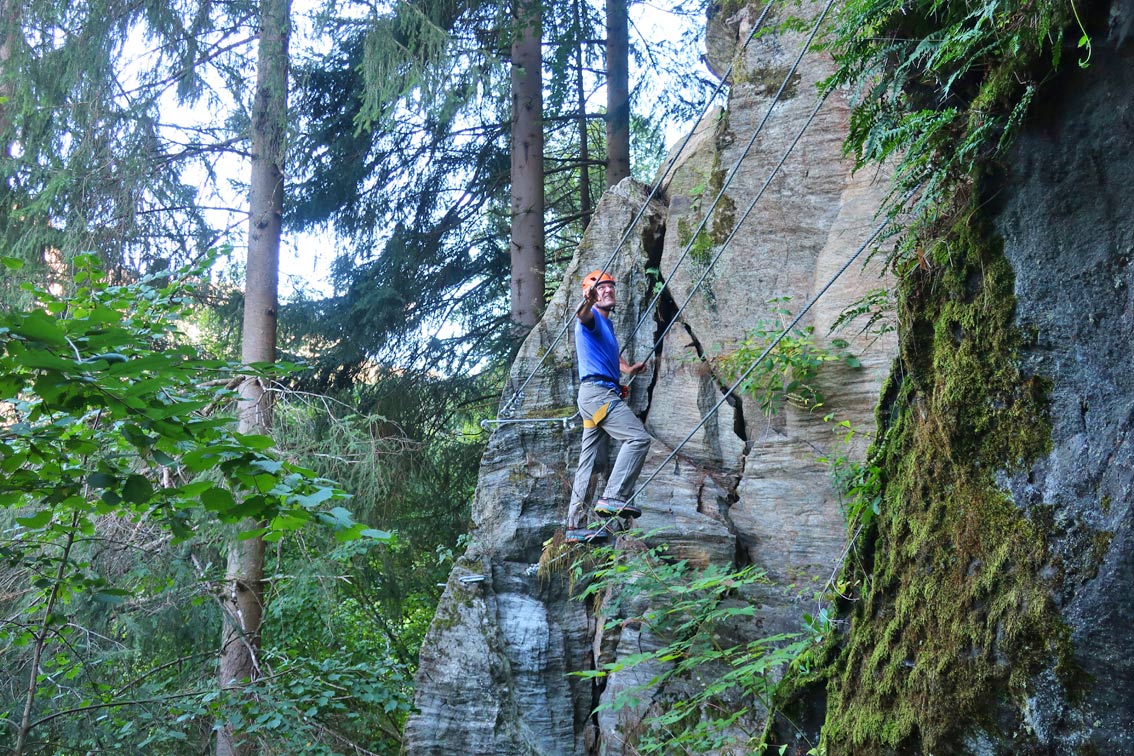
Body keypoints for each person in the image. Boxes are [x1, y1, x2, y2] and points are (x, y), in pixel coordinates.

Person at [564, 269, 653, 544]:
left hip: (594, 395)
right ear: (591, 293)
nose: (608, 291)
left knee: (590, 463)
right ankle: (614, 496)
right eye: (601, 288)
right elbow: (581, 314)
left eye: (611, 287)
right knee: (638, 439)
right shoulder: (589, 319)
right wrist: (587, 301)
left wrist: (627, 368)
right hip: (598, 395)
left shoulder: (606, 325)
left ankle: (574, 526)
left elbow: (610, 352)